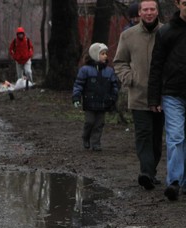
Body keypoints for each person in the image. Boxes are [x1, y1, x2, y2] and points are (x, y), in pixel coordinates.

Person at [114, 0, 163, 190]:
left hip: (162, 96)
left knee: (157, 138)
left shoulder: (167, 33)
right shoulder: (128, 36)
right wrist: (129, 78)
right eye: (145, 10)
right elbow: (119, 62)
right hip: (138, 95)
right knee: (143, 135)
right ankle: (146, 173)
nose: (149, 13)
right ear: (139, 13)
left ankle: (151, 172)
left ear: (157, 11)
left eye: (152, 9)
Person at [148, 0, 186, 201]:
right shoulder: (166, 32)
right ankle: (174, 182)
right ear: (178, 4)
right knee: (176, 136)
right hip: (172, 93)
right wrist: (154, 97)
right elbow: (156, 66)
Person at [72, 43, 119, 152]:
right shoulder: (85, 70)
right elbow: (78, 84)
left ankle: (96, 143)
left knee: (99, 124)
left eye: (106, 54)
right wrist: (76, 97)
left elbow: (114, 85)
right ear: (95, 55)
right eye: (102, 53)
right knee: (89, 122)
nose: (105, 56)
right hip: (90, 102)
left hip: (104, 102)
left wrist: (113, 97)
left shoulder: (109, 71)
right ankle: (86, 137)